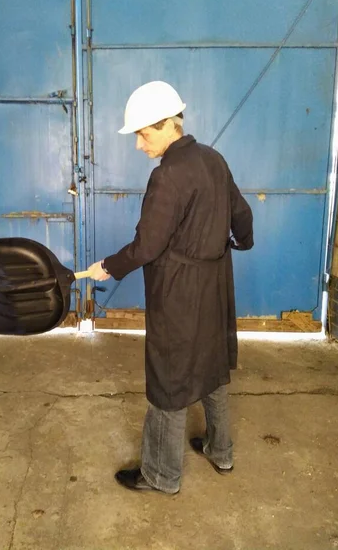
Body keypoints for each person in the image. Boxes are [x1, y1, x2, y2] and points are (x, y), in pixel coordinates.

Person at [88, 81, 254, 494]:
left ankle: (162, 475)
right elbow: (243, 216)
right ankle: (221, 451)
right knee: (212, 365)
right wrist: (238, 243)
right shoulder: (214, 159)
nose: (139, 145)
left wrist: (109, 266)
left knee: (169, 377)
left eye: (143, 134)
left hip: (178, 291)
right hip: (215, 284)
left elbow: (147, 246)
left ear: (167, 126)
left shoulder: (167, 176)